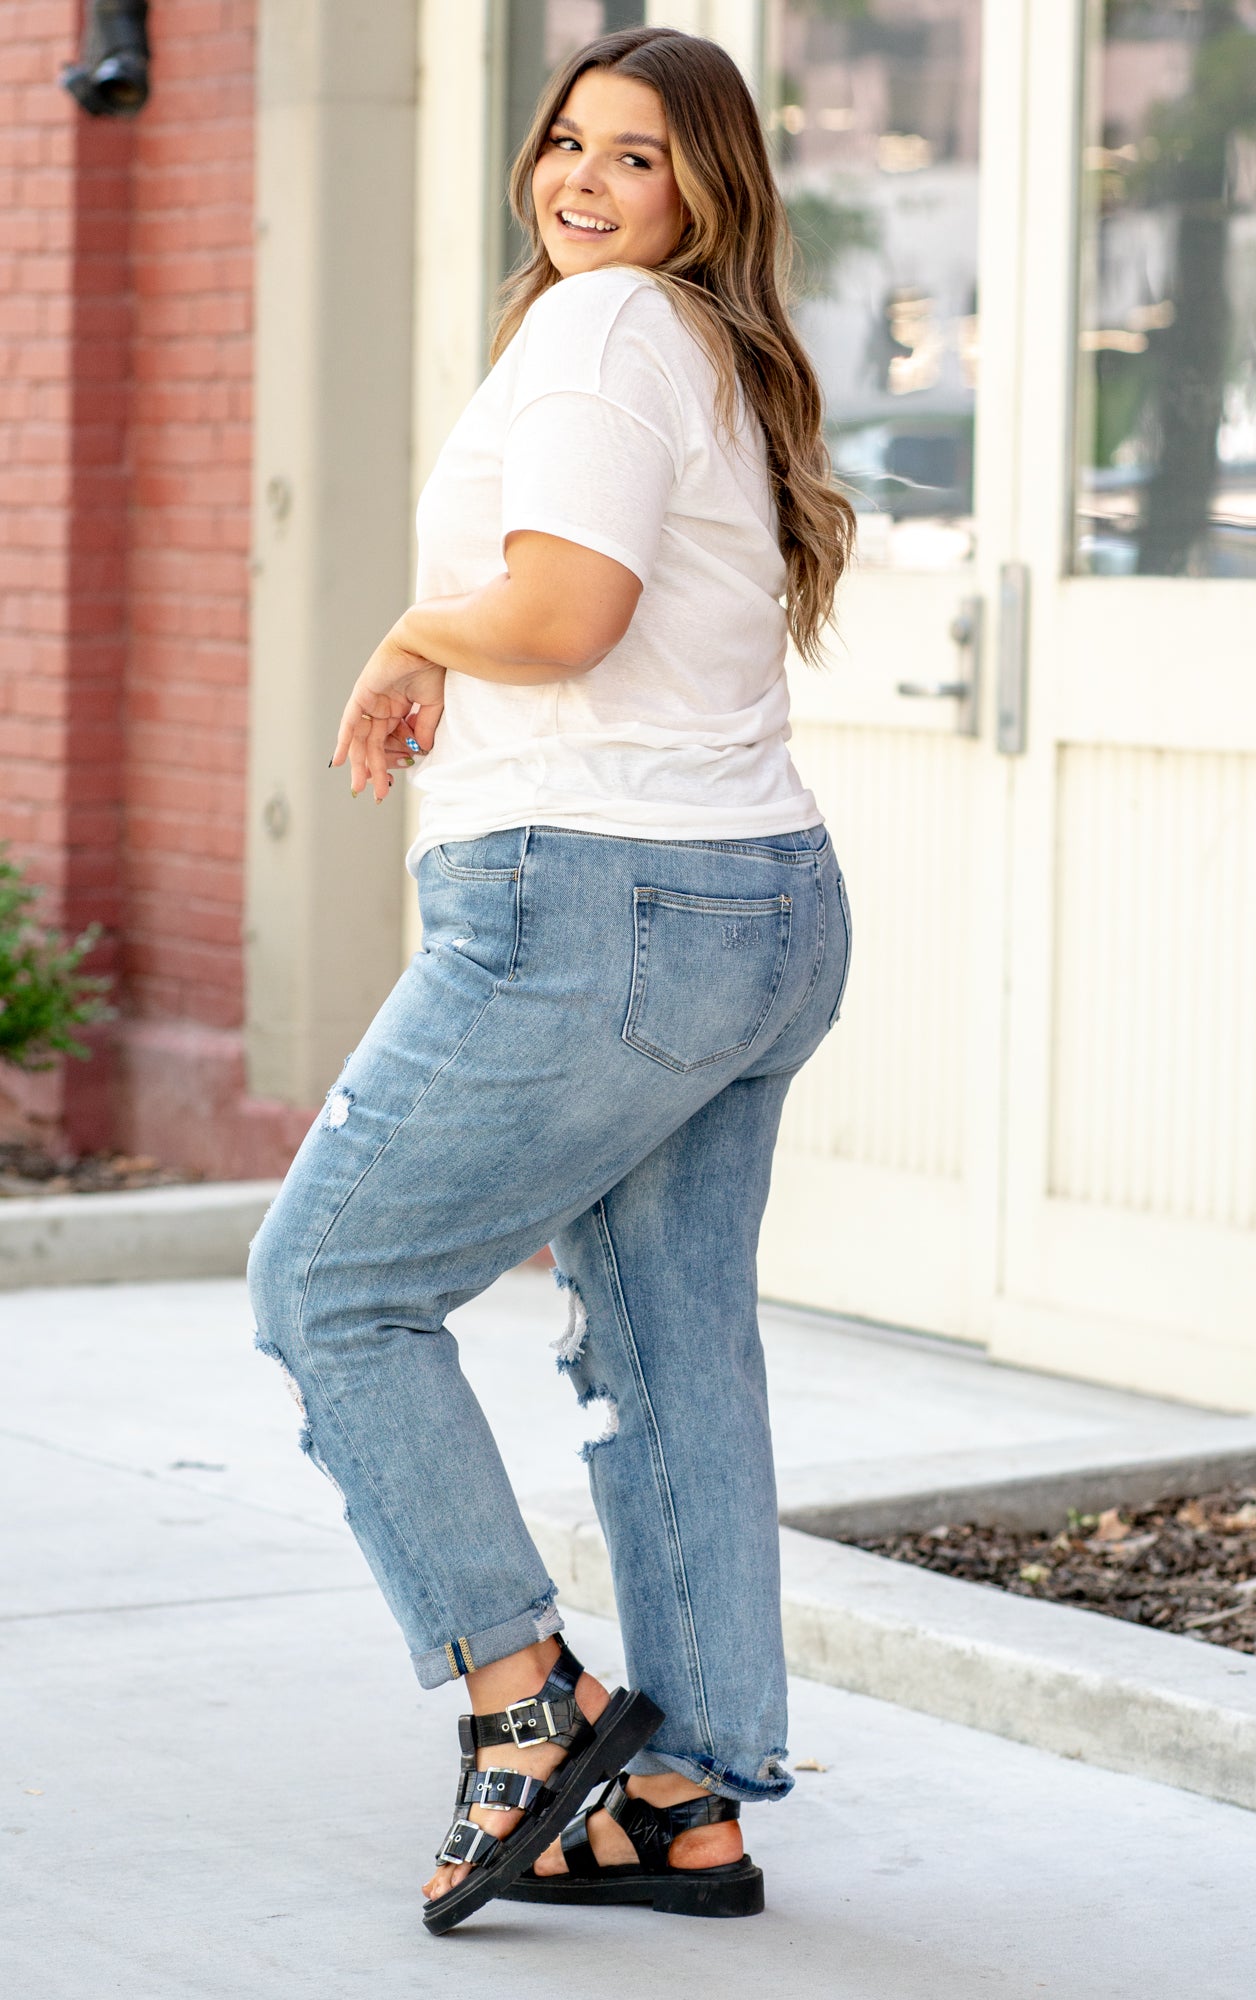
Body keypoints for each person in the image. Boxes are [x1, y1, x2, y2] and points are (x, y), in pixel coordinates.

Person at [247, 24, 855, 1934]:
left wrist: (409, 631)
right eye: (567, 141)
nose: (583, 181)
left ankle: (529, 1708)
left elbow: (566, 611)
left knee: (331, 1286)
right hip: (759, 904)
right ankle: (679, 1799)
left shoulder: (602, 332)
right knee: (672, 1348)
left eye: (638, 156)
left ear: (705, 192)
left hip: (599, 905)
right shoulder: (708, 348)